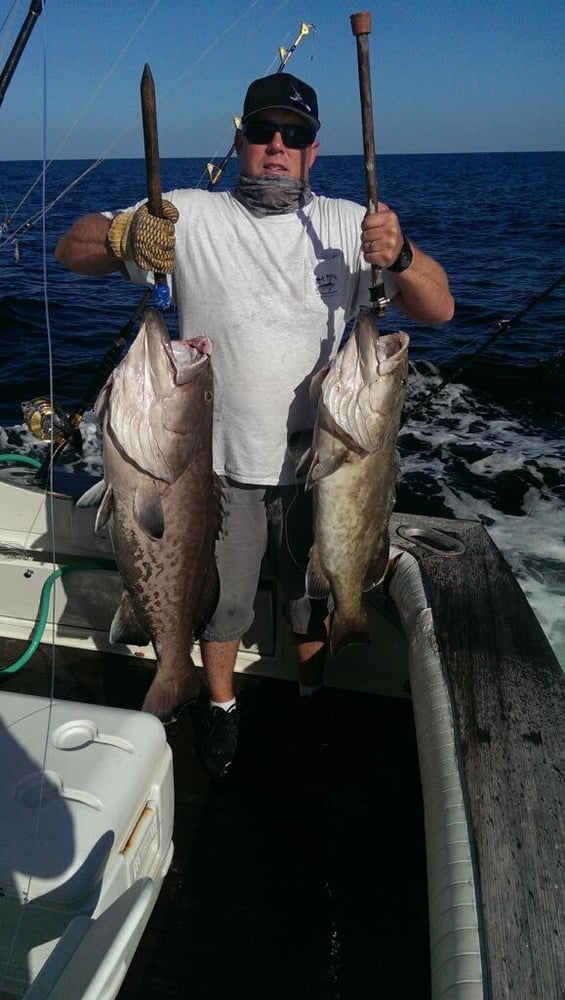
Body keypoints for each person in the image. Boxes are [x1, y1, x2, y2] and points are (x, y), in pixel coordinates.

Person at [56, 72, 454, 779]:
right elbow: (72, 249)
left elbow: (437, 308)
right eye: (263, 132)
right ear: (239, 140)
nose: (277, 146)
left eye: (293, 135)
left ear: (313, 149)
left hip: (322, 466)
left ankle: (309, 697)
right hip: (214, 468)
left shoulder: (346, 224)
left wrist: (401, 256)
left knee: (312, 597)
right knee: (223, 607)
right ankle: (220, 707)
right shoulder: (187, 214)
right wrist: (124, 235)